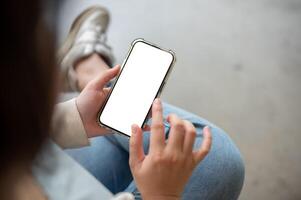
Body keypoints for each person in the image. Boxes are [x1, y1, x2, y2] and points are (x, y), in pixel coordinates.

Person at [0, 2, 244, 200]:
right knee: (218, 158)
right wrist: (162, 195)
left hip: (41, 166)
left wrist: (72, 119)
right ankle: (88, 70)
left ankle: (88, 74)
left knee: (125, 137)